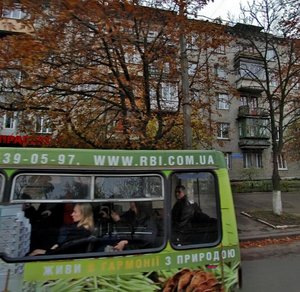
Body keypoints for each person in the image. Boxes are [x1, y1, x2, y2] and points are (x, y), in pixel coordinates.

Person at [29, 203, 94, 256]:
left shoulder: (79, 231)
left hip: (61, 255)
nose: (72, 214)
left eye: (75, 212)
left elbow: (66, 249)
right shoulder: (82, 229)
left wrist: (51, 250)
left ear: (84, 214)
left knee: (35, 252)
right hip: (61, 252)